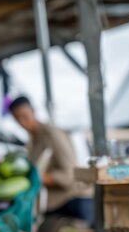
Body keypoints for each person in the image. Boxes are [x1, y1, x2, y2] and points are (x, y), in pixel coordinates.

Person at [8, 96, 93, 224]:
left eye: (24, 116)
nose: (22, 122)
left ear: (33, 111)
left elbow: (69, 175)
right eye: (17, 118)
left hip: (74, 203)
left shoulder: (52, 134)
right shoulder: (32, 141)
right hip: (54, 205)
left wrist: (35, 177)